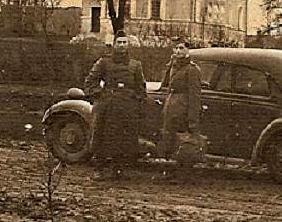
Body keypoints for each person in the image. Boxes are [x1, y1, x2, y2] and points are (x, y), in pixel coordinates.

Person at [83, 30, 146, 180]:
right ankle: (99, 169)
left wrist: (135, 98)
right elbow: (90, 82)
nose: (122, 45)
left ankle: (118, 170)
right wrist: (100, 95)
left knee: (123, 139)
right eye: (119, 43)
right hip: (108, 106)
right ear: (114, 44)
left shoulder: (135, 65)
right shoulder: (104, 62)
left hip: (127, 107)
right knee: (102, 136)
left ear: (128, 45)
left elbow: (141, 86)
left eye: (125, 42)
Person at [159, 39, 203, 167]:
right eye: (176, 48)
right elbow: (167, 85)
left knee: (183, 140)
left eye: (182, 48)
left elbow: (194, 95)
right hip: (171, 106)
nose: (178, 51)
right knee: (169, 138)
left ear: (188, 51)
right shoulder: (173, 66)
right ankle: (171, 166)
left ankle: (184, 168)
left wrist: (192, 119)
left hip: (183, 108)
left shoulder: (192, 69)